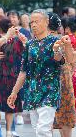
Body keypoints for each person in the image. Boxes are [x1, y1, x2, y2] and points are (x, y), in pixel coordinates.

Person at [8, 9, 62, 137]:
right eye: (31, 22)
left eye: (36, 22)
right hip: (32, 92)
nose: (33, 25)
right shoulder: (30, 44)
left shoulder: (56, 41)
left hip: (50, 91)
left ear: (46, 22)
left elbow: (59, 59)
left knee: (43, 130)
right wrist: (14, 92)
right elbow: (23, 71)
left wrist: (56, 51)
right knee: (37, 129)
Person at [0, 18, 26, 137]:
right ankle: (9, 131)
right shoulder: (17, 42)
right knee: (10, 106)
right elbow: (24, 54)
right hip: (11, 77)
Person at [49, 12, 76, 137]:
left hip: (49, 79)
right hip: (65, 77)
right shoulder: (64, 40)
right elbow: (73, 61)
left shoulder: (41, 41)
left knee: (49, 116)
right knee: (65, 114)